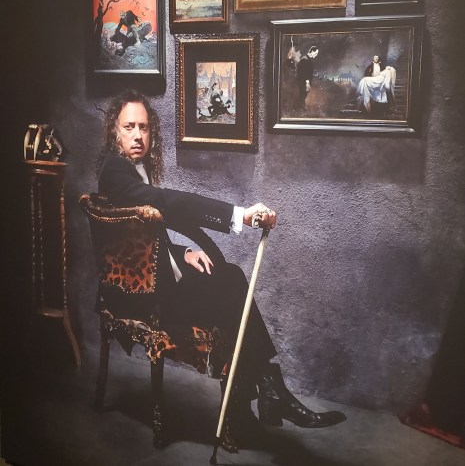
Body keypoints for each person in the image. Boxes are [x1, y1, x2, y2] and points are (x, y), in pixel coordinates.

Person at [96, 89, 345, 450]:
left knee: (230, 283)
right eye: (129, 127)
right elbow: (165, 203)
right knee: (231, 289)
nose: (138, 136)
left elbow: (139, 234)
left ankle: (257, 401)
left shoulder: (133, 169)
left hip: (156, 277)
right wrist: (238, 215)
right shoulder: (115, 170)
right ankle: (264, 396)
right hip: (141, 296)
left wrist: (183, 253)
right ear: (114, 131)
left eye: (144, 127)